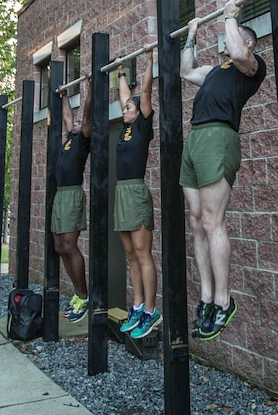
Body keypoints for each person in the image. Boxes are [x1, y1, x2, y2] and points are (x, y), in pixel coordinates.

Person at [179, 0, 266, 341]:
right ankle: (205, 298)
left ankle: (223, 300)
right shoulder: (215, 72)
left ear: (246, 43)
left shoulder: (251, 66)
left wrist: (231, 15)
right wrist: (191, 35)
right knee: (197, 222)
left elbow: (237, 50)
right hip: (196, 138)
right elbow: (186, 71)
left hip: (219, 137)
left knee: (213, 221)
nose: (225, 47)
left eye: (232, 40)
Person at [114, 47, 160, 340]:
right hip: (121, 194)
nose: (125, 109)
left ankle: (151, 311)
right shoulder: (124, 129)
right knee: (130, 254)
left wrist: (150, 59)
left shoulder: (143, 125)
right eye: (124, 109)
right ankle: (137, 306)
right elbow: (123, 95)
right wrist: (120, 70)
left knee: (143, 254)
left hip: (136, 192)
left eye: (128, 108)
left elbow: (143, 91)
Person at [52, 66, 91, 323]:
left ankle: (83, 296)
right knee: (59, 247)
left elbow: (86, 114)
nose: (75, 122)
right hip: (59, 195)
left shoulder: (84, 138)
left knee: (69, 244)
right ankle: (77, 296)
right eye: (73, 122)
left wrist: (90, 86)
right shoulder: (68, 136)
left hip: (72, 195)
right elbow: (68, 116)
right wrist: (65, 94)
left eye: (79, 122)